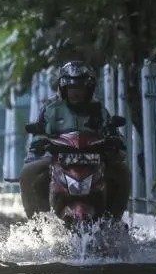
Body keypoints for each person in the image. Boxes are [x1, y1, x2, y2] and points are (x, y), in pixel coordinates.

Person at [19, 61, 130, 218]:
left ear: (89, 88)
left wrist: (116, 142)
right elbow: (39, 133)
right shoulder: (50, 107)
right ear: (64, 88)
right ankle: (34, 220)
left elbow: (112, 131)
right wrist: (39, 144)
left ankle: (115, 220)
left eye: (80, 88)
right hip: (56, 157)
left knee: (123, 172)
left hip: (94, 158)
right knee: (27, 173)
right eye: (72, 88)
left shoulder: (99, 109)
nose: (76, 92)